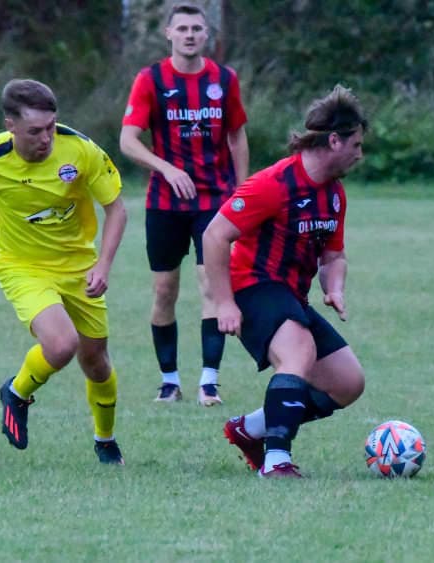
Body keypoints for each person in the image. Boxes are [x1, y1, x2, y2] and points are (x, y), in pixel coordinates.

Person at [0, 79, 129, 464]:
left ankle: (105, 439)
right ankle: (17, 392)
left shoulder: (80, 150)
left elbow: (116, 209)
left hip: (78, 266)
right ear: (10, 126)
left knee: (96, 362)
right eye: (35, 131)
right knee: (61, 345)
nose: (46, 138)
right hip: (21, 266)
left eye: (51, 127)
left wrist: (103, 264)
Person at [203, 85, 368, 478]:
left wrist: (334, 287)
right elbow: (214, 235)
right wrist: (223, 302)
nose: (360, 154)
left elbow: (333, 255)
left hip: (293, 296)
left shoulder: (334, 195)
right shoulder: (273, 184)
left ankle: (251, 429)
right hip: (252, 286)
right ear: (334, 140)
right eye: (356, 145)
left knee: (348, 382)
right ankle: (276, 460)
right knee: (298, 351)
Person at [120, 2, 249, 406]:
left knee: (212, 284)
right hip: (165, 203)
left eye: (197, 28)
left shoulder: (224, 80)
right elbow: (128, 140)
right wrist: (167, 169)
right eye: (183, 29)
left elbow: (237, 136)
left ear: (206, 34)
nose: (190, 35)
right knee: (164, 291)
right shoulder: (151, 79)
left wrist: (242, 192)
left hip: (214, 200)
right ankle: (169, 381)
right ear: (169, 34)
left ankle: (209, 382)